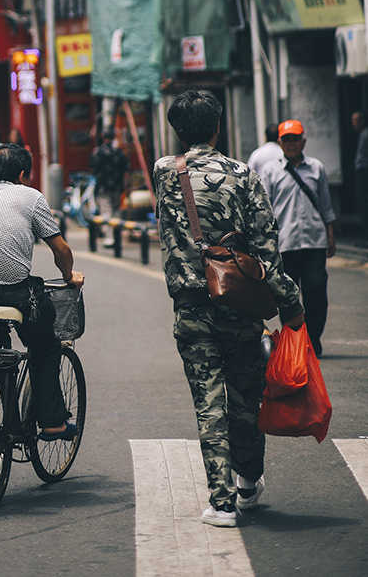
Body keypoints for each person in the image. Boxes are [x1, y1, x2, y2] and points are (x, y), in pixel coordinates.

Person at [153, 89, 303, 528]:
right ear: (218, 127)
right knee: (245, 400)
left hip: (191, 309)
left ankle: (221, 505)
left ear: (178, 131)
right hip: (240, 306)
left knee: (209, 405)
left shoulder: (164, 171)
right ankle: (248, 484)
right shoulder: (242, 175)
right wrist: (291, 304)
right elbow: (267, 251)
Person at [0, 142, 85, 438]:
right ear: (23, 174)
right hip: (16, 294)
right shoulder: (31, 197)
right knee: (45, 346)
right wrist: (69, 276)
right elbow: (61, 249)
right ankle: (52, 421)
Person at [258, 120, 336, 356]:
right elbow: (265, 209)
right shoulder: (270, 171)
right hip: (285, 243)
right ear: (280, 143)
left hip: (314, 241)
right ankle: (295, 341)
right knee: (288, 296)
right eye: (287, 139)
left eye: (295, 139)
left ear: (304, 141)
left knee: (316, 291)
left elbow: (325, 205)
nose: (291, 143)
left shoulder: (316, 168)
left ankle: (313, 338)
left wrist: (330, 233)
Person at [89, 129, 128, 247]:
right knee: (116, 210)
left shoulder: (98, 152)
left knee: (106, 210)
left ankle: (109, 238)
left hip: (103, 186)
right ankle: (117, 236)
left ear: (102, 137)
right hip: (117, 186)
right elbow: (125, 168)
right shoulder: (119, 151)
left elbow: (92, 167)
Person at [352, 111, 368, 245]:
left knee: (364, 203)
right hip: (362, 171)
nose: (353, 124)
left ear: (362, 122)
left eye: (355, 120)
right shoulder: (363, 135)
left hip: (364, 172)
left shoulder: (365, 135)